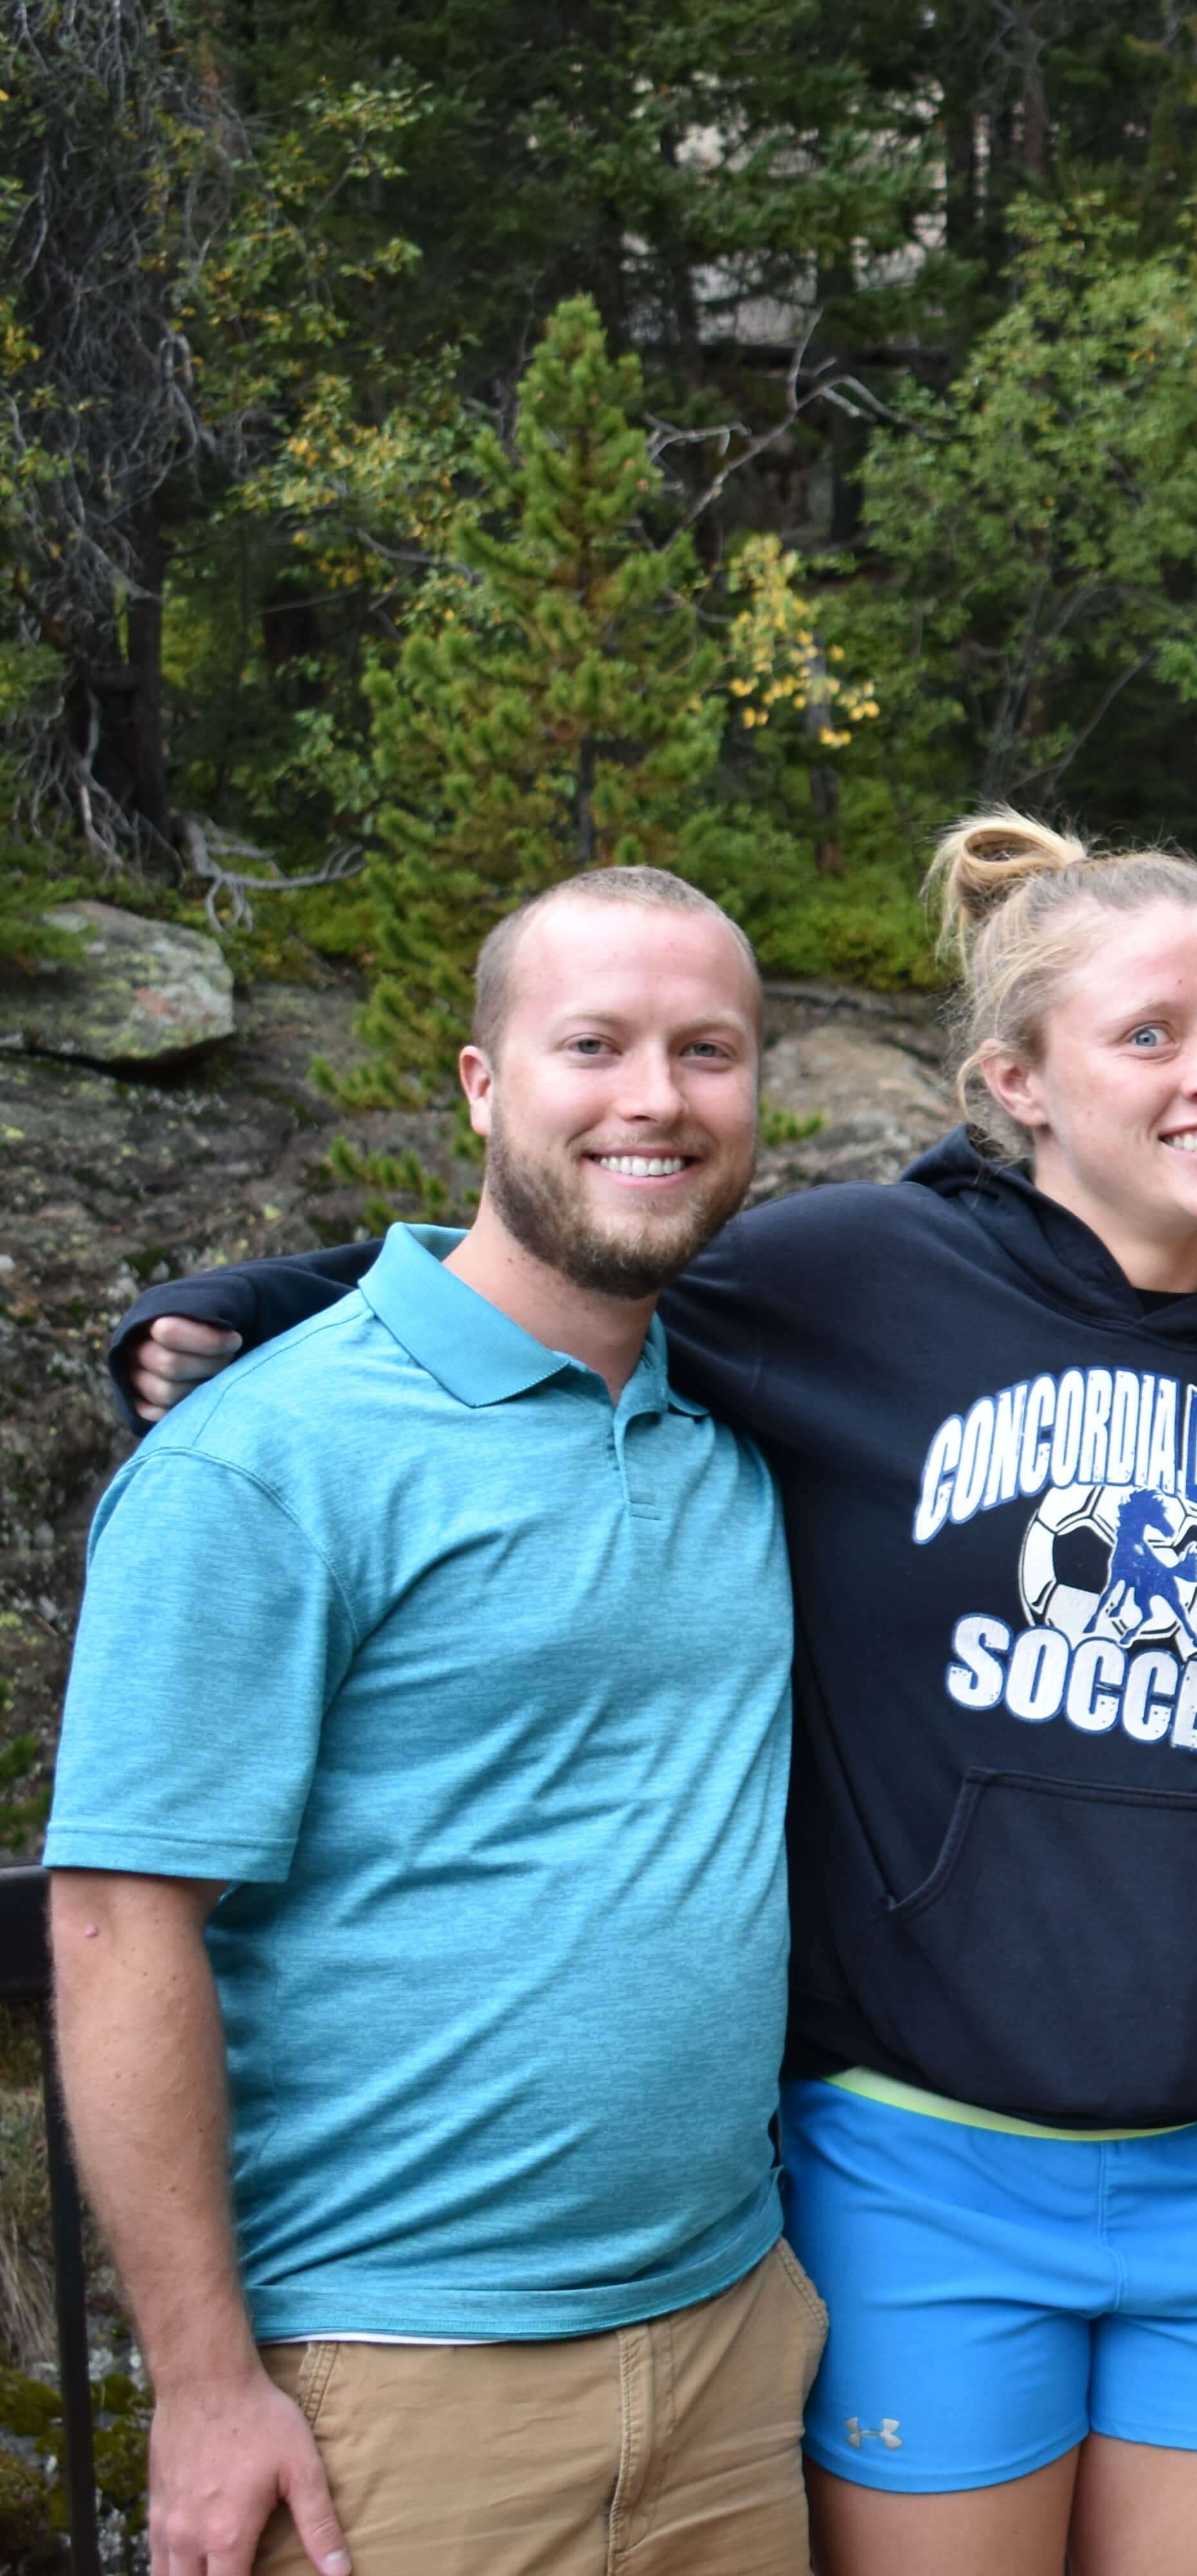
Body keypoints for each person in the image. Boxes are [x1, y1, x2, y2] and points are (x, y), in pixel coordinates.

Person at [112, 816, 1197, 2576]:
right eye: (1150, 1035)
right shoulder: (860, 1277)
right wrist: (236, 1312)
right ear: (1013, 1080)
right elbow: (574, 1248)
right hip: (920, 2149)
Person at [53, 866, 821, 2576]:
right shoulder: (268, 1457)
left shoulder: (745, 1422)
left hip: (732, 2345)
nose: (656, 1099)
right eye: (594, 1046)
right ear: (481, 1087)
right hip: (391, 2383)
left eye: (709, 1052)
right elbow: (115, 1922)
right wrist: (199, 2380)